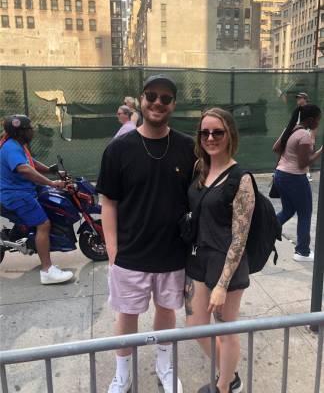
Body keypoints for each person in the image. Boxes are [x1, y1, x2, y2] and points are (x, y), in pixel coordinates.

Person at [96, 75, 195, 393]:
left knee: (167, 312)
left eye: (166, 98)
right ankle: (122, 372)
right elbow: (108, 201)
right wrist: (112, 250)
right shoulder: (119, 149)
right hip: (130, 254)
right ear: (141, 99)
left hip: (172, 254)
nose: (157, 102)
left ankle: (164, 365)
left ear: (173, 105)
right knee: (127, 316)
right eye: (151, 95)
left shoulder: (187, 147)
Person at [185, 108, 255, 393]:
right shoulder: (200, 169)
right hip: (200, 256)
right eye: (205, 132)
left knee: (226, 329)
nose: (211, 137)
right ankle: (229, 371)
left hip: (227, 262)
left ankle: (225, 385)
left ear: (230, 135)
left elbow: (240, 238)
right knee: (195, 325)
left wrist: (222, 285)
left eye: (218, 132)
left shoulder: (242, 179)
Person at [0, 115, 73, 285]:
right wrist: (51, 183)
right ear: (21, 132)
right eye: (29, 128)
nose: (33, 130)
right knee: (43, 224)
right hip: (16, 195)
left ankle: (25, 232)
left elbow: (29, 162)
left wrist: (49, 170)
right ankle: (47, 270)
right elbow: (24, 169)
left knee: (47, 198)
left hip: (22, 189)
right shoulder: (11, 147)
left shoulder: (16, 144)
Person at [273, 105, 322, 261]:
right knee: (305, 214)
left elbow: (276, 148)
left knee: (288, 210)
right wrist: (321, 151)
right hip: (295, 178)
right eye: (319, 120)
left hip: (280, 175)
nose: (319, 123)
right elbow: (303, 164)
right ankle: (302, 252)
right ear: (311, 120)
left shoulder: (291, 129)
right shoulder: (304, 135)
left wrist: (289, 155)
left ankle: (264, 230)